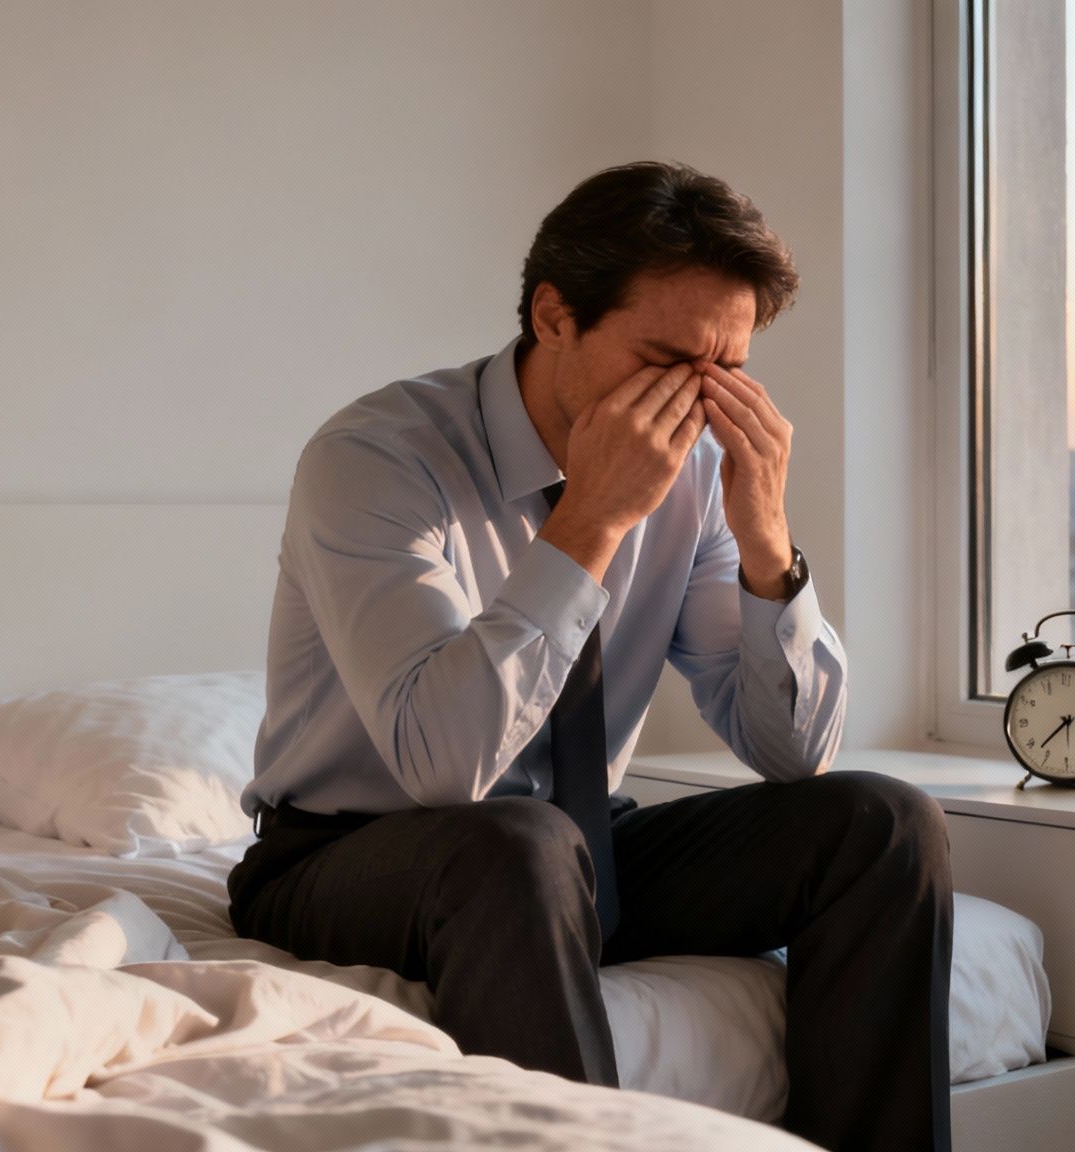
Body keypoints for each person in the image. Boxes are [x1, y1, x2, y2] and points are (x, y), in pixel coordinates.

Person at [228, 160, 953, 1152]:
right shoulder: (375, 460)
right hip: (353, 855)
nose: (697, 402)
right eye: (663, 358)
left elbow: (791, 757)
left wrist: (766, 545)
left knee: (879, 819)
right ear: (553, 314)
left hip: (580, 854)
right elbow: (443, 763)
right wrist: (592, 521)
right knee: (514, 840)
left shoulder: (697, 477)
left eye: (726, 369)